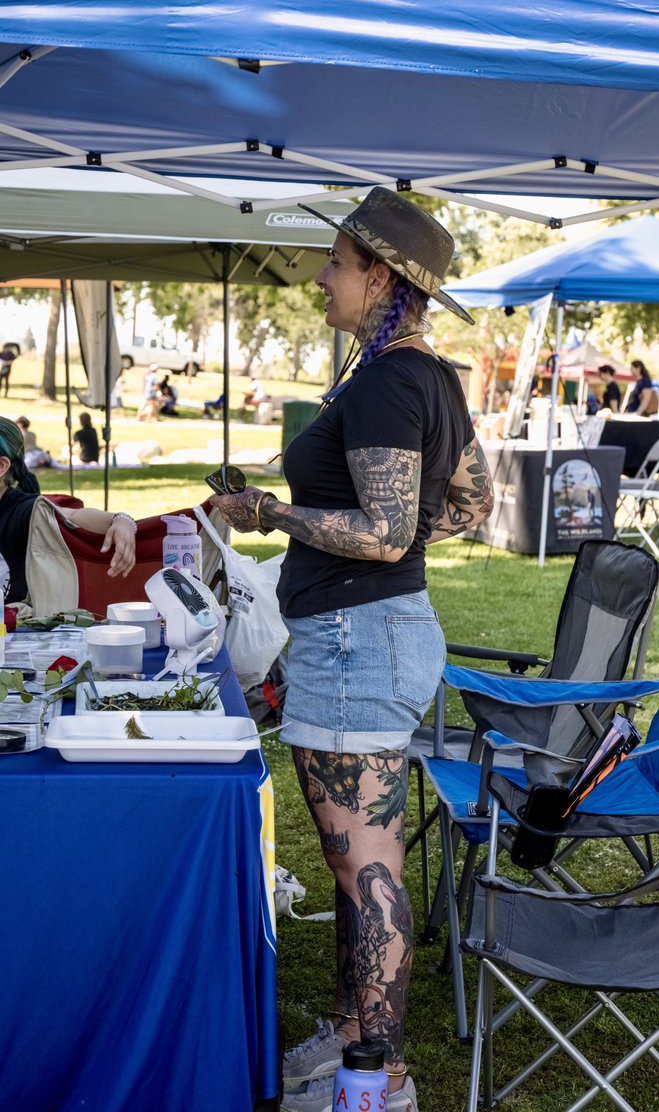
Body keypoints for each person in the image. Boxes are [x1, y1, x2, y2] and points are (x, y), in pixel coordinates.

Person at [210, 187, 494, 1112]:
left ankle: (381, 1074)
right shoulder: (429, 376)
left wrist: (270, 511)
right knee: (350, 861)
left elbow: (381, 531)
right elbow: (466, 505)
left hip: (357, 637)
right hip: (374, 631)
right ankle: (351, 1032)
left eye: (336, 261)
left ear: (378, 276)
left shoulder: (383, 382)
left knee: (366, 863)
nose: (323, 276)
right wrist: (378, 535)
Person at [0, 417, 136, 605]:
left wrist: (121, 521)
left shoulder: (25, 510)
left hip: (15, 629)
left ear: (2, 466)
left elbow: (71, 515)